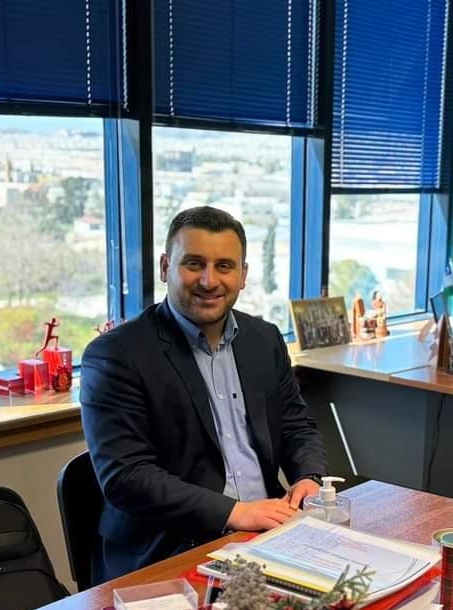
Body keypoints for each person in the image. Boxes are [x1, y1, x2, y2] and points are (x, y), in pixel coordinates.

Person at [81, 206, 327, 581]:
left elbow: (296, 426)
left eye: (224, 266)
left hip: (268, 534)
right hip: (170, 550)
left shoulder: (264, 339)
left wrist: (308, 478)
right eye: (193, 264)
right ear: (166, 267)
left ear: (243, 275)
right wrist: (235, 512)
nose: (209, 281)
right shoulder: (115, 355)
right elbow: (127, 476)